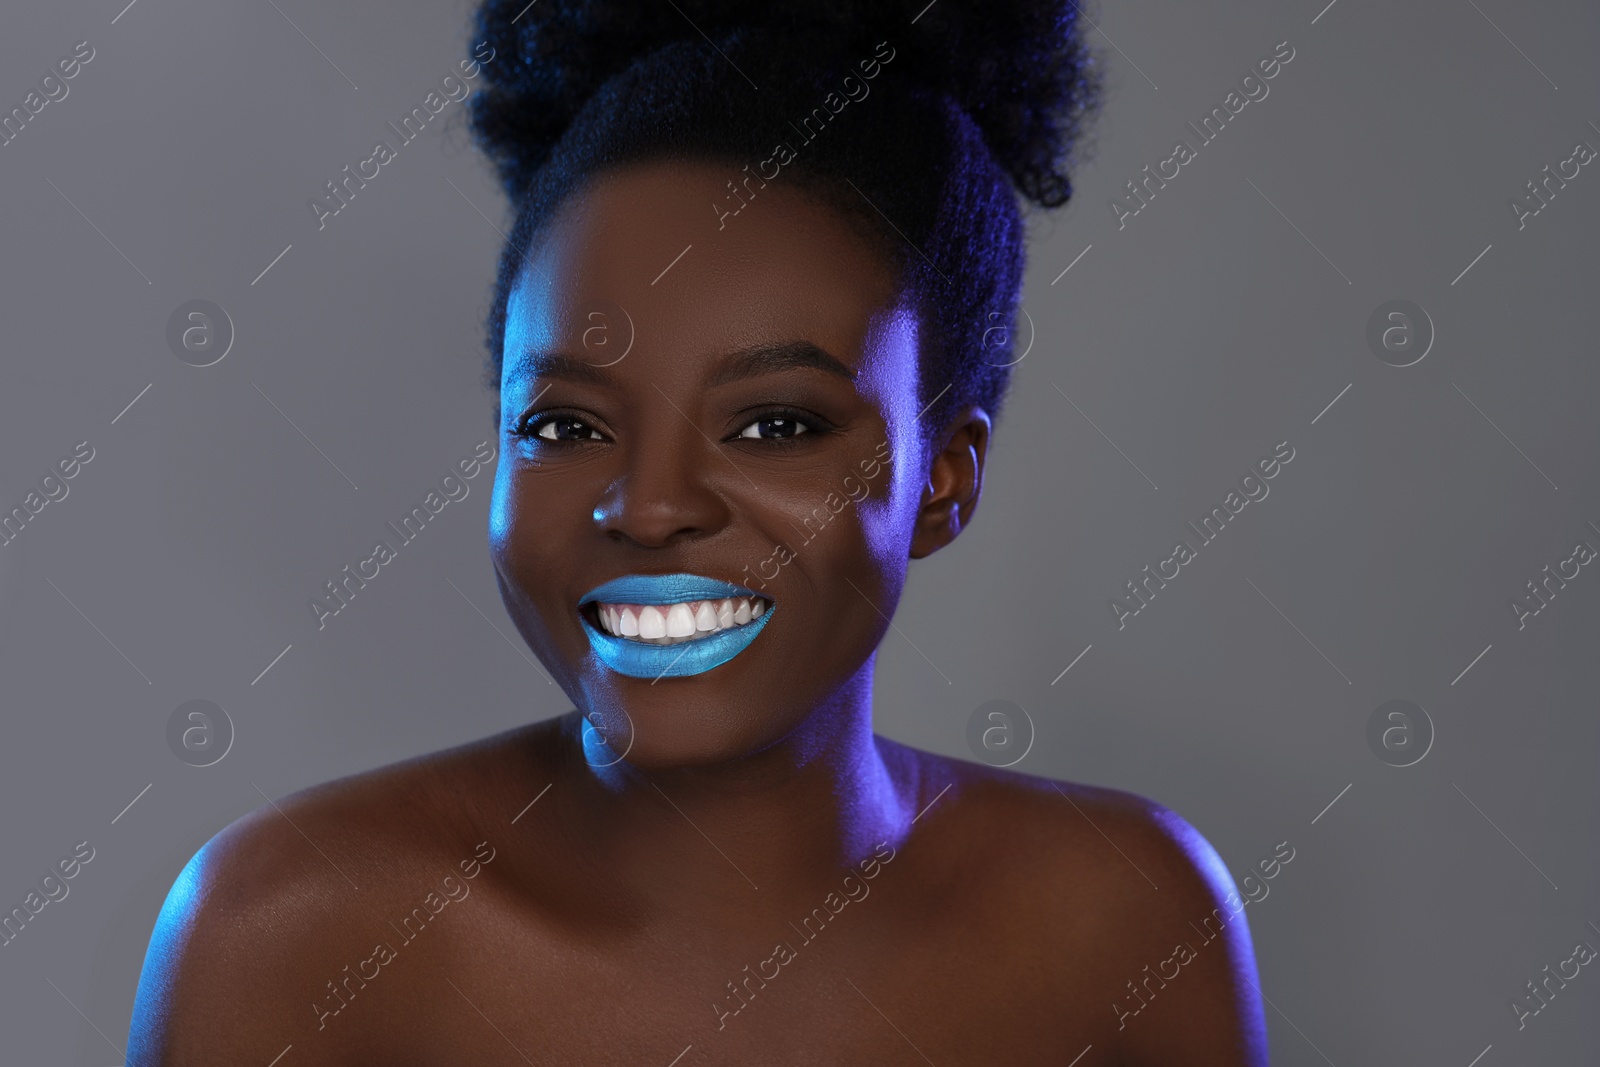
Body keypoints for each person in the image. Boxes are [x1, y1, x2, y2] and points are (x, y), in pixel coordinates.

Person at [127, 1, 1269, 1062]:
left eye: (775, 423)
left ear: (945, 478)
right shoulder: (287, 936)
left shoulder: (1124, 922)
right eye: (567, 422)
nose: (648, 503)